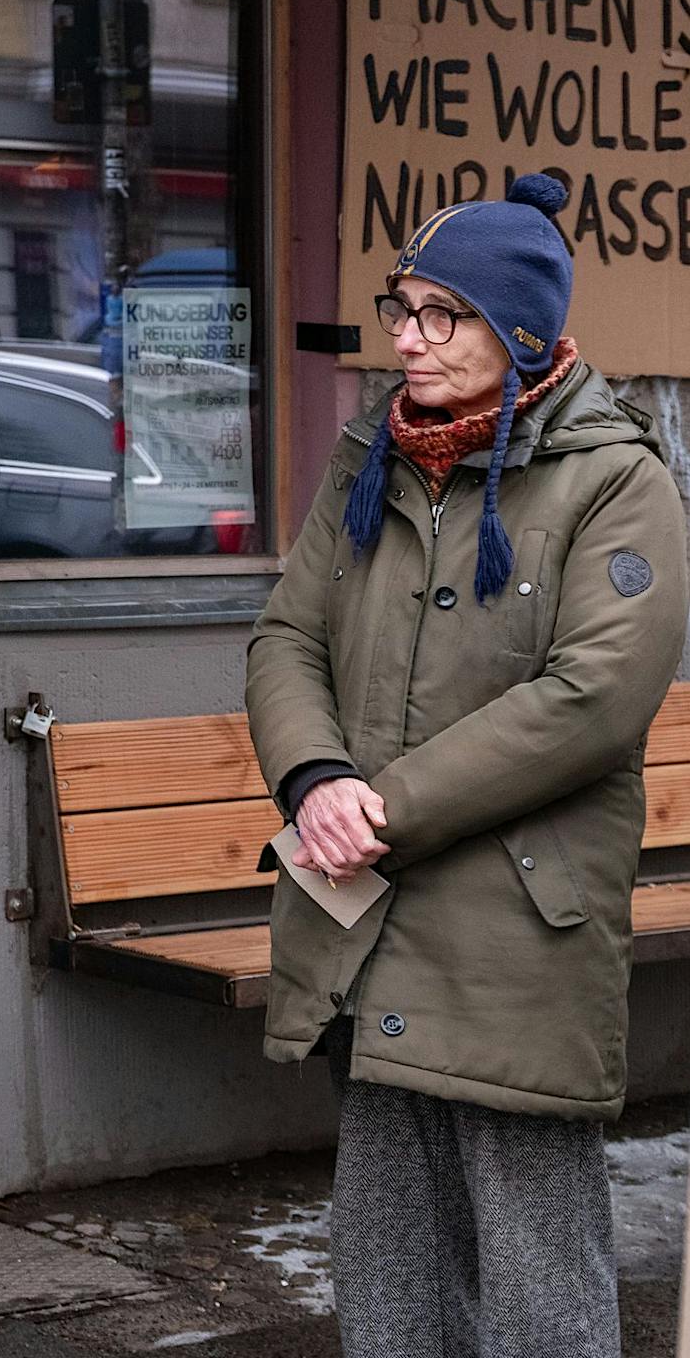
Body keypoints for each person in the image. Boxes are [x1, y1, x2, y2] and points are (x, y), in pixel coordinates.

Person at [247, 175, 687, 1358]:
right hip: (364, 918)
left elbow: (591, 699)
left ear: (522, 331)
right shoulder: (369, 456)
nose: (406, 336)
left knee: (537, 1278)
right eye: (402, 305)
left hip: (514, 933)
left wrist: (373, 805)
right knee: (387, 1260)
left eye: (444, 313)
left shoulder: (615, 477)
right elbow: (287, 635)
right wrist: (311, 779)